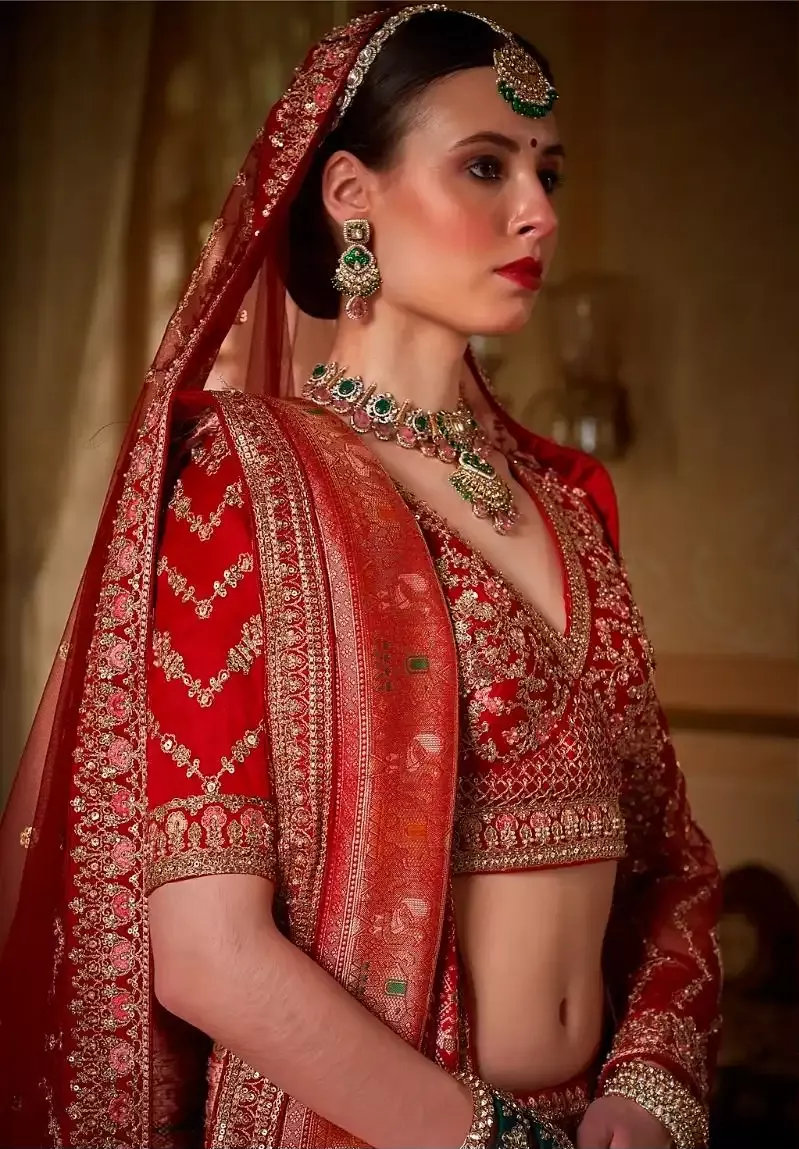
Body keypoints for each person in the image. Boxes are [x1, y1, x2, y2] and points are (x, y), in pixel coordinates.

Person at [0, 6, 722, 1149]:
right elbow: (204, 948)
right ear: (350, 195)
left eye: (546, 172)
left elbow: (668, 863)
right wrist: (481, 1137)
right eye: (484, 166)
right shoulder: (246, 483)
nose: (537, 210)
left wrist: (649, 1091)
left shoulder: (566, 507)